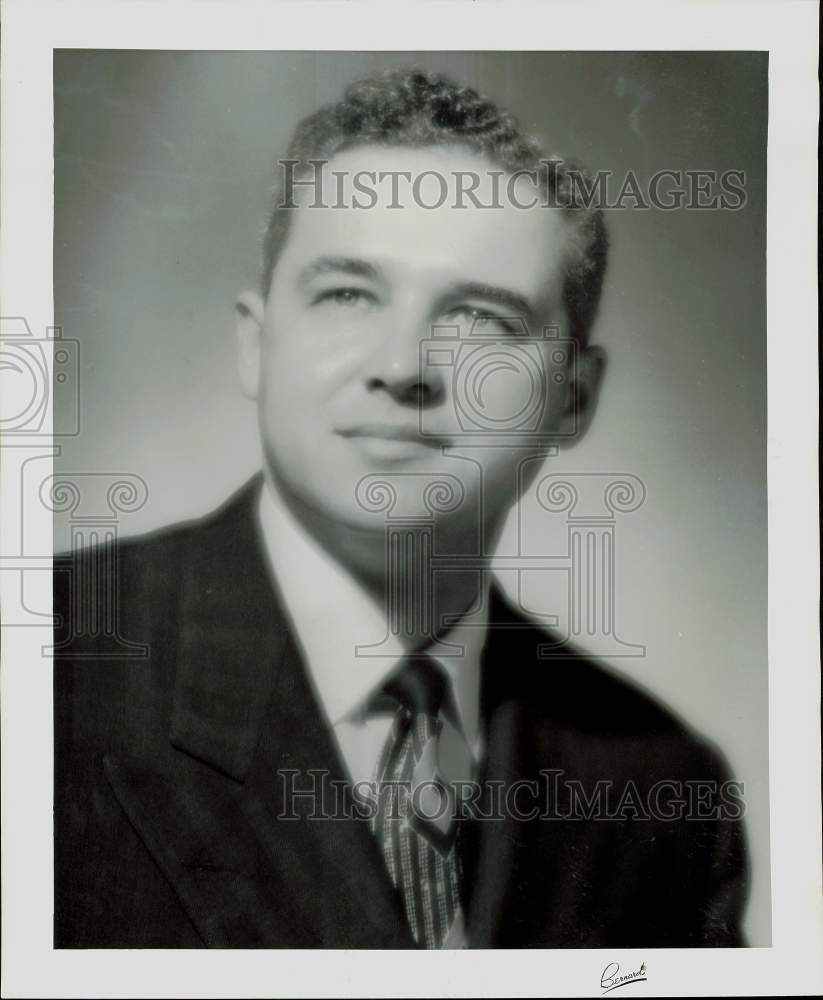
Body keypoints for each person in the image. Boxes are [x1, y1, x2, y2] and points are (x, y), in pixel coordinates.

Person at [53, 68, 748, 948]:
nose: (405, 364)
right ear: (256, 345)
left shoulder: (657, 784)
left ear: (572, 399)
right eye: (348, 294)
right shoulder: (51, 673)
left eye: (480, 319)